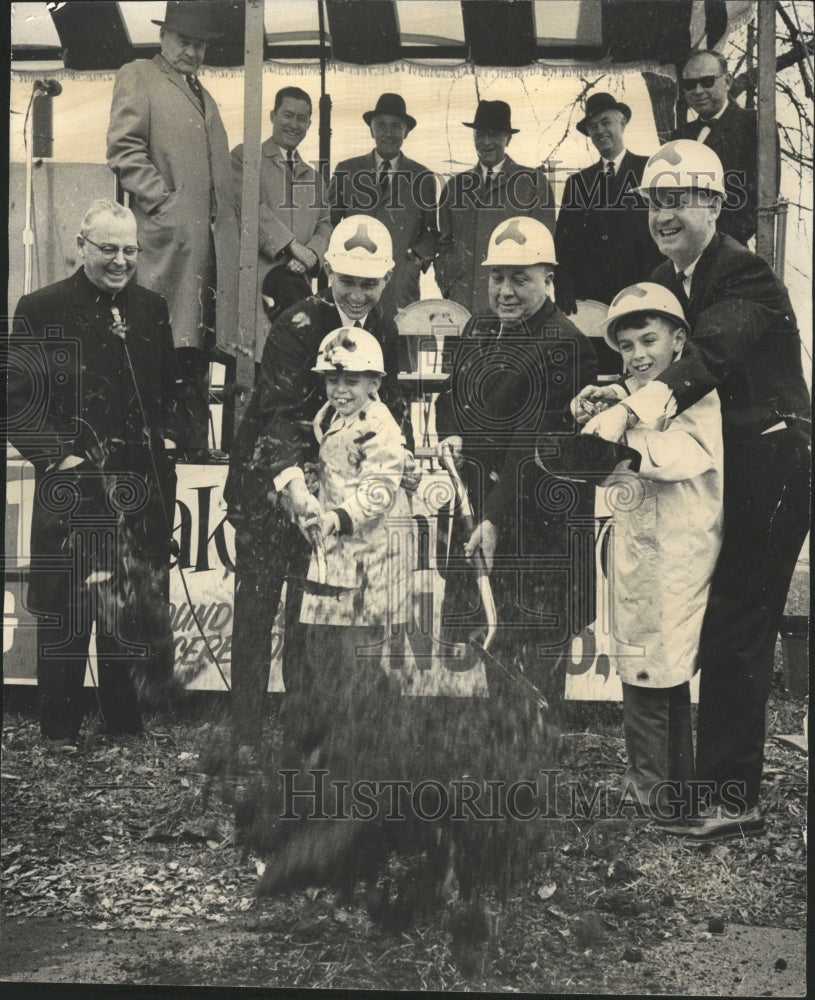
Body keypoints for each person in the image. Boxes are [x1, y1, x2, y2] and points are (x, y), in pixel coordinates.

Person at [575, 140, 810, 840]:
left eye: (679, 200)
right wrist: (615, 386)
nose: (664, 214)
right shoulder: (664, 276)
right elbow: (659, 360)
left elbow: (704, 360)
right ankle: (692, 785)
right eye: (654, 201)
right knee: (706, 622)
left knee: (737, 623)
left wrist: (625, 415)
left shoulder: (745, 275)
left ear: (713, 204)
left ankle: (733, 798)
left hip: (775, 466)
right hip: (722, 469)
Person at [224, 215, 413, 758]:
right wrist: (292, 487)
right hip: (270, 482)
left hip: (332, 498)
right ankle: (243, 746)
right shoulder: (296, 324)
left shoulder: (385, 327)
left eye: (369, 283)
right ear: (327, 269)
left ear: (387, 279)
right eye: (347, 280)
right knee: (257, 614)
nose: (357, 294)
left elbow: (388, 404)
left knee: (312, 621)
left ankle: (302, 745)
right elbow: (276, 414)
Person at [5, 200, 188, 747]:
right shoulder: (41, 307)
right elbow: (16, 401)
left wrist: (173, 435)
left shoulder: (152, 309)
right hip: (72, 487)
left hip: (138, 489)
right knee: (67, 609)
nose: (120, 261)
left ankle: (123, 725)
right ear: (81, 245)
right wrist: (61, 457)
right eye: (108, 248)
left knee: (125, 609)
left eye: (130, 250)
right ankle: (58, 729)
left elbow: (174, 391)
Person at [434, 216, 597, 709]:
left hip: (539, 532)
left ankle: (534, 777)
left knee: (538, 665)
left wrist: (494, 519)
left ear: (548, 277)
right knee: (494, 648)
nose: (505, 291)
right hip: (481, 516)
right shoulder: (477, 326)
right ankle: (505, 774)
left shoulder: (567, 344)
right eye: (497, 277)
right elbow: (450, 399)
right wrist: (452, 433)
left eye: (520, 278)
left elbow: (537, 443)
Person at [596, 284, 723, 820]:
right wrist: (604, 408)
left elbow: (681, 453)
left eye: (649, 339)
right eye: (626, 345)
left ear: (679, 340)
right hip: (641, 546)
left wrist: (622, 439)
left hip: (676, 550)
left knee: (657, 664)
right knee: (647, 661)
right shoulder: (632, 393)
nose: (638, 354)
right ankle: (664, 779)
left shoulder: (697, 396)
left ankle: (653, 786)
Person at [107, 0, 240, 454]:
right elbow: (124, 150)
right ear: (164, 37)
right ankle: (154, 451)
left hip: (206, 254)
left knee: (195, 353)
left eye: (200, 44)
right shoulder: (139, 74)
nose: (193, 51)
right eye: (185, 41)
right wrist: (164, 203)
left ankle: (194, 450)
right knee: (159, 347)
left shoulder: (205, 94)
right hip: (166, 248)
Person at [292, 327, 412, 763]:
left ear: (375, 383)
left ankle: (369, 754)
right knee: (325, 654)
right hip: (335, 552)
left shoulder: (380, 425)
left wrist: (337, 518)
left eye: (352, 381)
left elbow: (379, 490)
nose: (340, 389)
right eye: (332, 379)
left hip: (370, 558)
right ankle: (338, 749)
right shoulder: (329, 416)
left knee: (360, 659)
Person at [554, 92, 662, 370]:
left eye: (606, 122)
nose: (600, 131)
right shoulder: (578, 183)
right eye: (593, 127)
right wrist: (563, 286)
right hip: (590, 305)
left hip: (639, 297)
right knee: (595, 377)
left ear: (622, 122)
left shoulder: (649, 172)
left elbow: (663, 232)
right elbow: (562, 244)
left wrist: (656, 286)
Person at [231, 86, 332, 366]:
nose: (294, 124)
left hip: (297, 287)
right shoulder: (245, 158)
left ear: (310, 124)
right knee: (255, 367)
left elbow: (325, 223)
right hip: (256, 288)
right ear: (273, 115)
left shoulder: (313, 177)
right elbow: (248, 207)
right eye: (288, 115)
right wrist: (293, 247)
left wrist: (311, 253)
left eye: (302, 118)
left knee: (295, 364)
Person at [436, 100, 556, 317]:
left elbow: (544, 251)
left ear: (508, 138)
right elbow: (444, 244)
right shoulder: (455, 187)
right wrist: (449, 286)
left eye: (494, 134)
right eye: (480, 134)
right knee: (463, 352)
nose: (486, 142)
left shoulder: (533, 183)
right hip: (462, 305)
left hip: (513, 305)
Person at [329, 93, 439, 322]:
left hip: (399, 286)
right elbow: (329, 222)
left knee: (400, 352)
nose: (388, 133)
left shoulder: (423, 177)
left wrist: (414, 260)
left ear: (406, 132)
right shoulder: (346, 170)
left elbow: (431, 233)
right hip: (354, 285)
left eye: (396, 126)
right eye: (381, 125)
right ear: (371, 130)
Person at [671, 50, 778, 245]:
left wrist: (709, 243)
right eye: (689, 84)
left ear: (727, 81)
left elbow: (758, 200)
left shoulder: (754, 125)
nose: (698, 91)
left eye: (707, 81)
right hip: (683, 249)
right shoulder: (680, 136)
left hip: (726, 251)